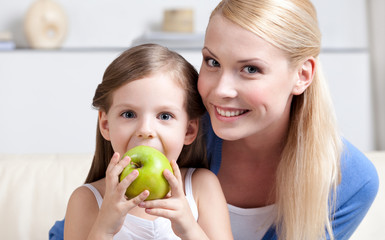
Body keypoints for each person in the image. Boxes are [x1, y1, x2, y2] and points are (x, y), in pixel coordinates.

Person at [197, 0, 379, 240]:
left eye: (250, 69)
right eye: (213, 62)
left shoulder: (350, 182)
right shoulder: (177, 135)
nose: (221, 90)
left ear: (302, 75)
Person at [50, 43, 233, 240]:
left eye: (164, 116)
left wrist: (188, 229)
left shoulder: (201, 187)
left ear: (189, 129)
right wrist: (104, 228)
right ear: (106, 125)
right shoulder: (86, 200)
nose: (145, 130)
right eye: (129, 114)